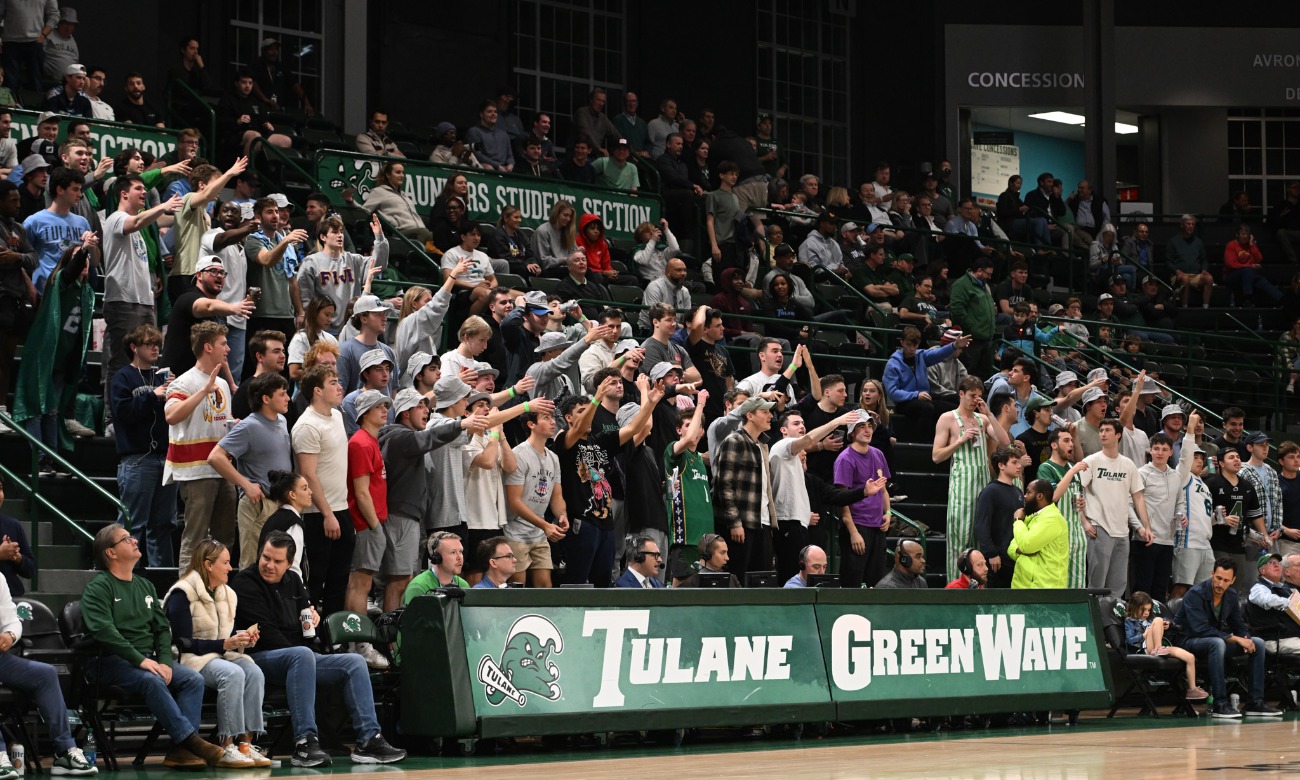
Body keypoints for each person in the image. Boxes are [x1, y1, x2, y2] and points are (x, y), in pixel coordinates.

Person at [233, 532, 406, 766]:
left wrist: (313, 621)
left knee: (353, 662)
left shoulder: (294, 581)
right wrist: (304, 651)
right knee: (302, 655)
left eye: (277, 561)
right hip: (259, 657)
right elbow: (267, 633)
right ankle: (305, 742)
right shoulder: (245, 582)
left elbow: (306, 623)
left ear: (289, 563)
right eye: (266, 557)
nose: (269, 565)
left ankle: (369, 740)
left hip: (299, 656)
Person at [82, 524, 227, 769]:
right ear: (111, 553)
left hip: (148, 659)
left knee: (192, 679)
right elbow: (104, 631)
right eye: (126, 539)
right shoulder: (98, 587)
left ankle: (180, 751)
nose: (135, 541)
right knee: (151, 680)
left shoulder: (145, 586)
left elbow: (162, 629)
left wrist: (164, 661)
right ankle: (191, 740)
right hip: (109, 661)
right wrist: (140, 660)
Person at [162, 539, 269, 769]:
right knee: (232, 674)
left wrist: (242, 641)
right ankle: (226, 744)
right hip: (191, 659)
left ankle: (246, 744)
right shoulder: (182, 593)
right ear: (208, 565)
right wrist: (224, 644)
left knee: (254, 672)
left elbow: (225, 638)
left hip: (220, 655)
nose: (231, 568)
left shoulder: (229, 594)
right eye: (226, 563)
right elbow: (183, 643)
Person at [553, 376, 660, 585]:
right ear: (569, 418)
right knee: (578, 580)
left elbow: (632, 429)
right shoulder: (563, 439)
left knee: (603, 581)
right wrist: (597, 398)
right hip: (582, 522)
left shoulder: (601, 441)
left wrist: (651, 403)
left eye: (589, 411)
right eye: (581, 412)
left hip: (606, 523)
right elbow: (576, 431)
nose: (589, 415)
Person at [163, 321, 237, 569]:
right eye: (223, 344)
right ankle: (185, 596)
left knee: (224, 539)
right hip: (195, 471)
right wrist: (203, 391)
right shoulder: (184, 382)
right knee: (195, 539)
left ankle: (217, 590)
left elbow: (218, 423)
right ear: (207, 347)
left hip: (222, 469)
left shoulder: (224, 384)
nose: (228, 348)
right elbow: (171, 416)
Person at [1174, 558, 1281, 719]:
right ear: (1212, 574)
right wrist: (1236, 639)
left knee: (1257, 643)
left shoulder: (1230, 595)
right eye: (1218, 578)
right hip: (1187, 642)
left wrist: (1246, 638)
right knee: (1216, 643)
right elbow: (1201, 629)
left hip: (1214, 642)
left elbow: (1239, 625)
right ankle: (1220, 704)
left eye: (1225, 580)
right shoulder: (1195, 594)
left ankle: (1255, 702)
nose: (1220, 584)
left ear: (1232, 580)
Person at [207, 372, 293, 569]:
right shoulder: (248, 426)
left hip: (279, 503)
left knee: (278, 564)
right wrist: (245, 484)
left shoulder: (282, 420)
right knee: (253, 564)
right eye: (282, 394)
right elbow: (215, 457)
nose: (288, 398)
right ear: (265, 399)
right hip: (258, 504)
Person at [110, 324, 177, 567]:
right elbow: (122, 413)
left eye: (157, 344)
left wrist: (175, 391)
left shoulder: (161, 375)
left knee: (164, 524)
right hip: (138, 459)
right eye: (149, 344)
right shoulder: (122, 377)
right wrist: (152, 395)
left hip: (166, 457)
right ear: (133, 347)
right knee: (132, 524)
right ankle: (125, 575)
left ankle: (162, 576)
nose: (155, 348)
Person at [933, 375, 1010, 581]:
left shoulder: (982, 419)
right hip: (961, 486)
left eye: (979, 396)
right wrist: (960, 440)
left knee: (981, 538)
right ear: (961, 394)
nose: (976, 399)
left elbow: (1005, 442)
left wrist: (989, 414)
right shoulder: (947, 418)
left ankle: (978, 588)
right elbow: (936, 456)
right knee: (960, 540)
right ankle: (954, 588)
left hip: (983, 485)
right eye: (972, 395)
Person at [770, 407, 860, 583]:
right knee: (790, 577)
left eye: (803, 423)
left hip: (797, 524)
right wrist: (836, 422)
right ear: (783, 430)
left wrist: (864, 492)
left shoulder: (797, 461)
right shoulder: (782, 446)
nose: (802, 426)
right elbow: (809, 439)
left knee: (801, 579)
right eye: (796, 423)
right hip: (787, 522)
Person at [1079, 417, 1153, 596]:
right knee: (1097, 585)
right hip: (1099, 527)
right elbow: (1076, 492)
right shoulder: (1092, 460)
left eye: (1107, 430)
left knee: (1118, 585)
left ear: (1118, 435)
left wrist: (1146, 527)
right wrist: (1085, 522)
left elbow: (1138, 497)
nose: (1102, 434)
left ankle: (1112, 621)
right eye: (1101, 430)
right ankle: (1095, 621)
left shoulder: (1128, 464)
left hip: (1122, 531)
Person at [714, 395, 781, 581]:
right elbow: (724, 484)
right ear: (749, 415)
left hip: (763, 524)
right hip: (743, 524)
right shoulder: (734, 440)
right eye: (764, 411)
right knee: (738, 579)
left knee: (762, 582)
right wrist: (734, 522)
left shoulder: (762, 445)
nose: (770, 416)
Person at [504, 406, 568, 588]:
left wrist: (562, 515)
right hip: (515, 531)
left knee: (545, 588)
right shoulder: (519, 454)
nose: (553, 421)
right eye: (546, 418)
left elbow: (557, 496)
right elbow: (514, 502)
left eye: (553, 418)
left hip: (539, 532)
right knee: (518, 588)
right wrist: (546, 525)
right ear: (531, 424)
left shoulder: (553, 458)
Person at [297, 214, 388, 329]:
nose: (340, 235)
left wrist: (379, 237)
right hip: (323, 328)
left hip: (351, 327)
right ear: (323, 237)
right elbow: (305, 297)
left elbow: (378, 265)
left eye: (341, 232)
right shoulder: (311, 262)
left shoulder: (353, 260)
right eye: (334, 232)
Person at [834, 411, 893, 588]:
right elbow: (842, 500)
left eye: (870, 426)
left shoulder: (878, 454)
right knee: (852, 580)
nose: (867, 430)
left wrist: (888, 513)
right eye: (861, 426)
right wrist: (853, 532)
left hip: (877, 526)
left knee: (877, 581)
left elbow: (883, 490)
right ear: (851, 432)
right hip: (857, 525)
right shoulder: (845, 459)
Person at [1123, 592, 1209, 700]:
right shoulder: (1130, 621)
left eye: (1149, 610)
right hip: (1144, 648)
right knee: (1158, 620)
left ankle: (1192, 689)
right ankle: (1158, 648)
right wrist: (1144, 635)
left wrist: (1165, 626)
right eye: (1143, 610)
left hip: (1160, 644)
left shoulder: (1150, 620)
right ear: (1134, 608)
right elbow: (1130, 640)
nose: (1146, 613)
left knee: (1190, 657)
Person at [1207, 448, 1267, 595]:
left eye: (1238, 457)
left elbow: (1256, 514)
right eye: (1231, 457)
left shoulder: (1247, 486)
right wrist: (1222, 519)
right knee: (1218, 584)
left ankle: (1232, 617)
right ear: (1221, 463)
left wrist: (1264, 535)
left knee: (1237, 585)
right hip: (1217, 543)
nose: (1236, 460)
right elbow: (1203, 513)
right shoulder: (1211, 484)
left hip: (1240, 545)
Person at [975, 446, 1026, 589]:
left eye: (1019, 462)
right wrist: (991, 553)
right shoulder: (990, 491)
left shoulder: (1018, 491)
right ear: (1001, 466)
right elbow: (981, 525)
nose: (1019, 466)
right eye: (1014, 462)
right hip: (998, 558)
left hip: (1015, 556)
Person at [1007, 478, 1069, 589]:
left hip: (1044, 589)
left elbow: (1026, 545)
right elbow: (1011, 548)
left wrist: (1017, 521)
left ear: (1040, 496)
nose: (1025, 496)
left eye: (1028, 492)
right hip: (1021, 586)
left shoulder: (1052, 519)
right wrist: (1018, 549)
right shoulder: (1032, 516)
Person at [1248, 553, 1300, 656]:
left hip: (1290, 637)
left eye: (1278, 563)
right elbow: (1266, 599)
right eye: (1271, 563)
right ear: (1262, 570)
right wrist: (1289, 603)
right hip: (1274, 639)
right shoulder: (1258, 588)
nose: (1276, 565)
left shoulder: (1284, 588)